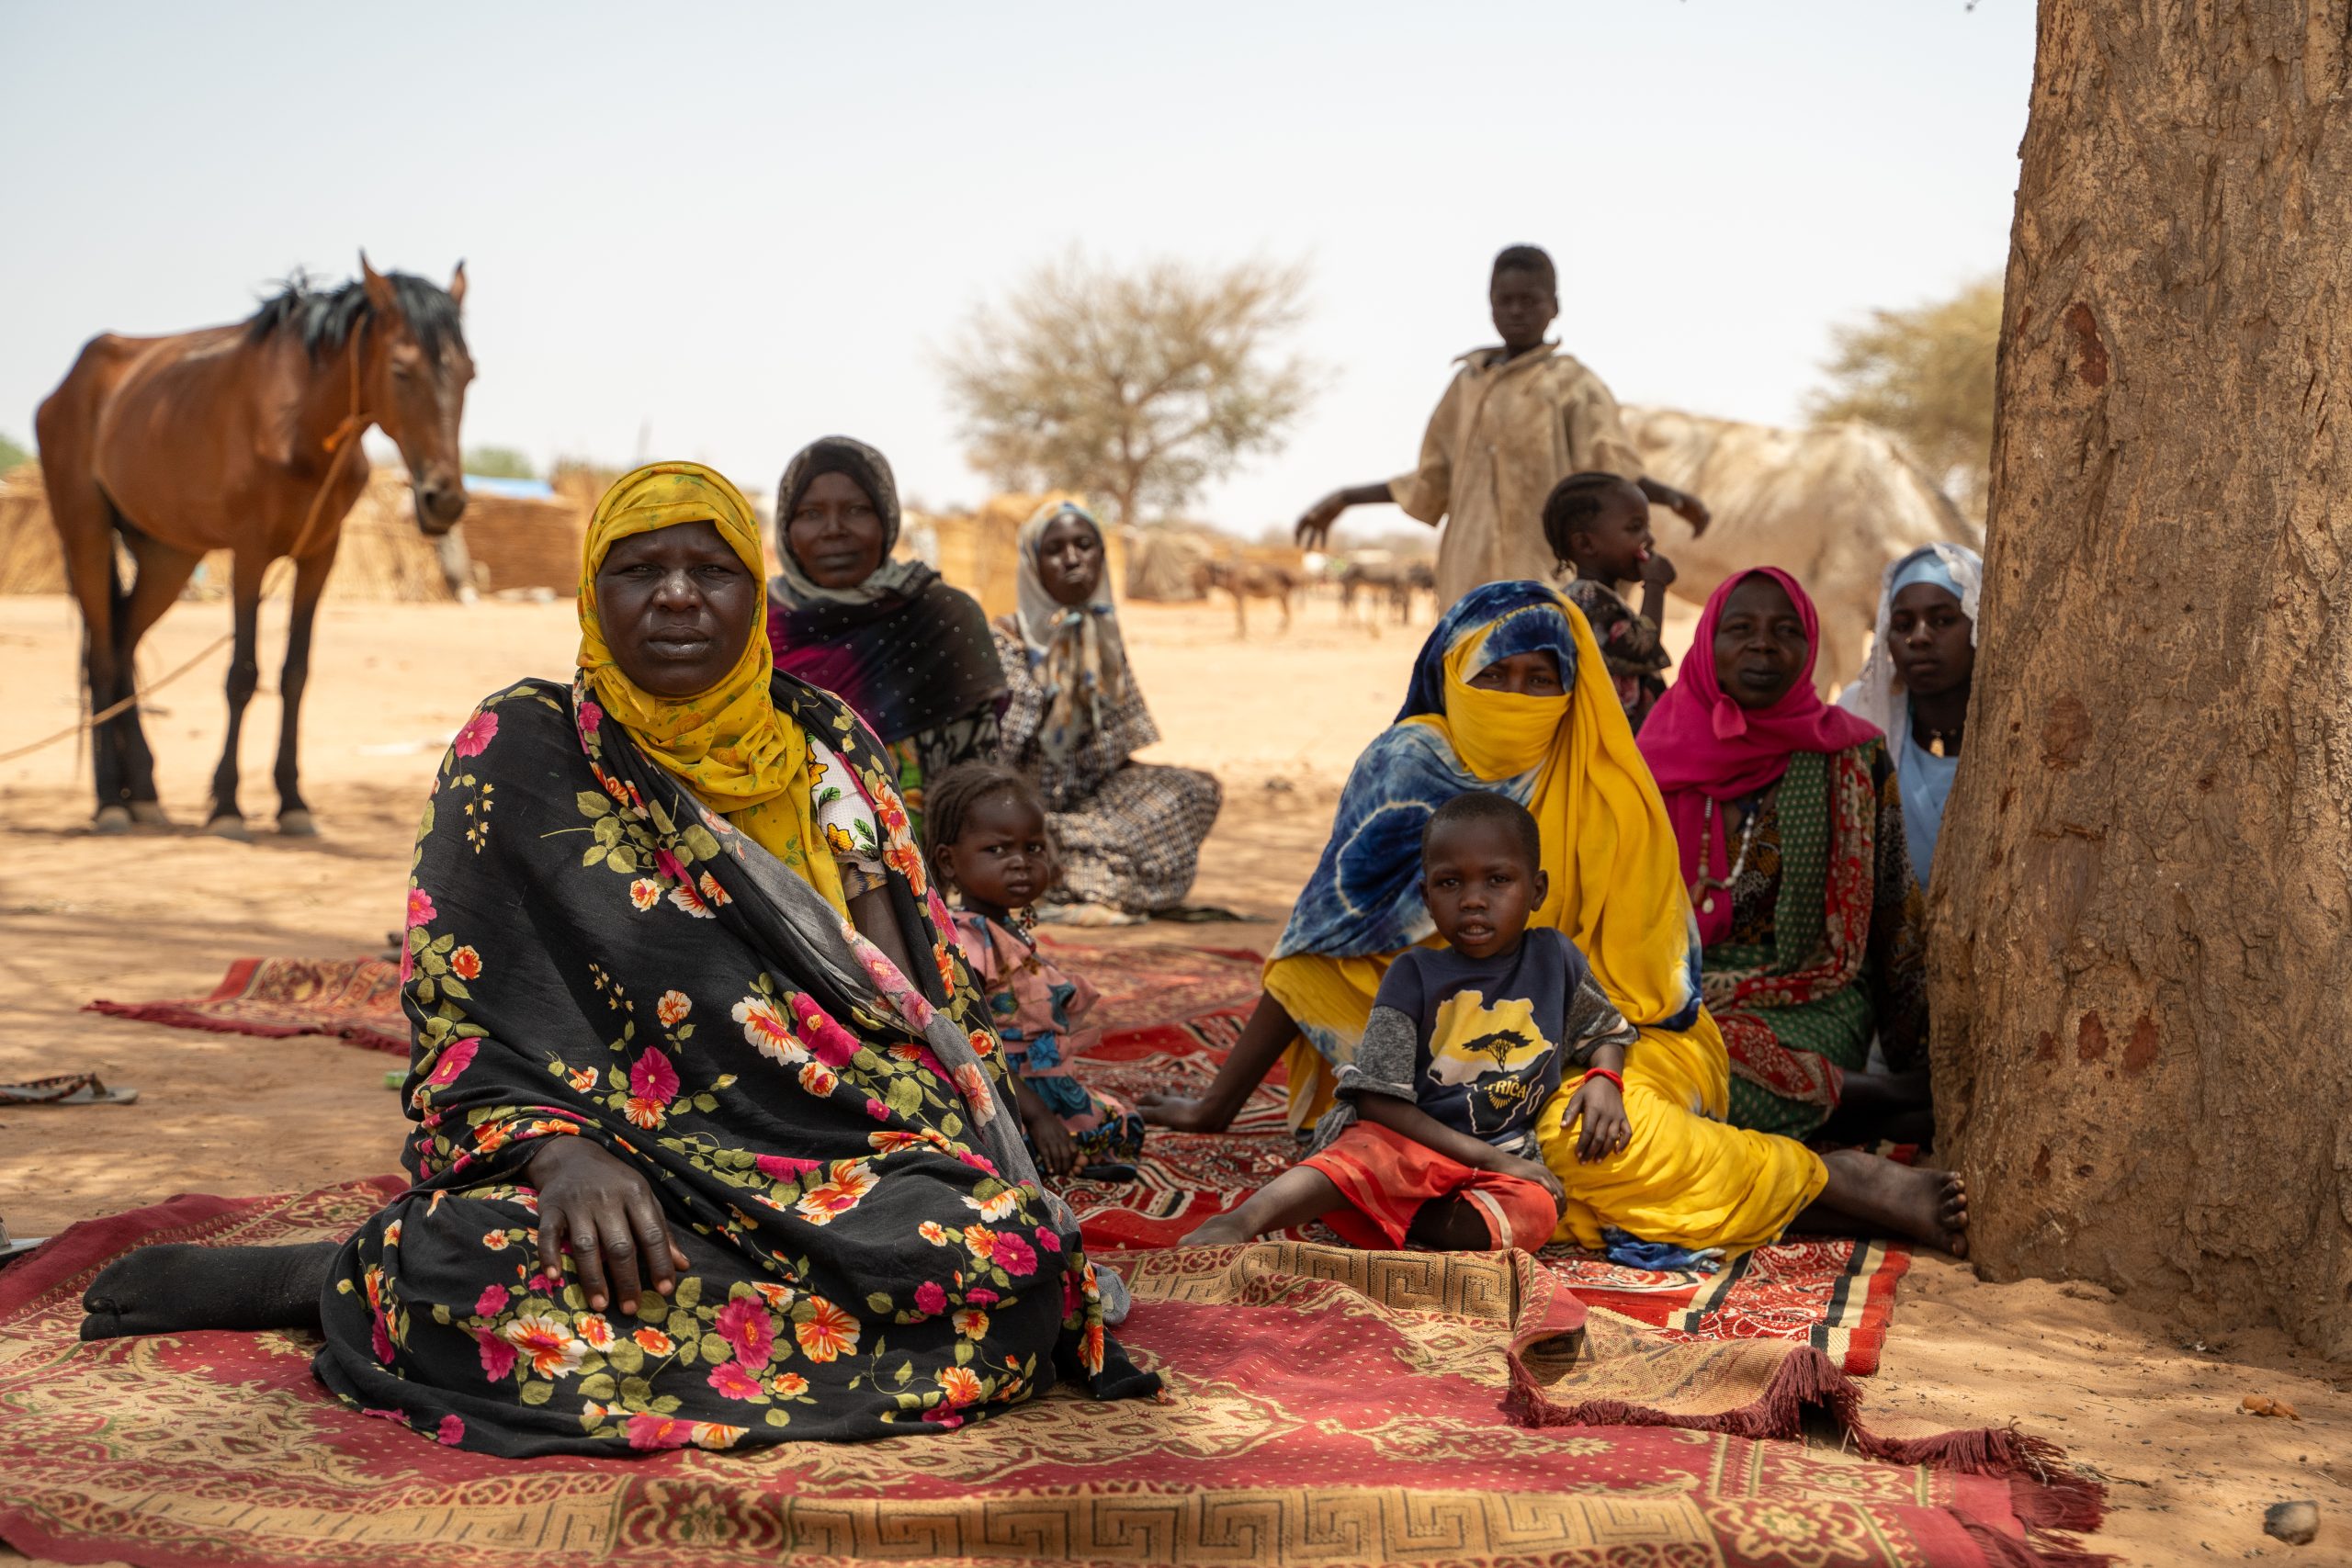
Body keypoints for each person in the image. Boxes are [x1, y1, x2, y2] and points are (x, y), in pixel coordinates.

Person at [78, 461, 1156, 1454]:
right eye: (640, 570)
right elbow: (462, 1016)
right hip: (618, 1164)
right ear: (596, 595)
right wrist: (559, 1154)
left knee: (1001, 1259)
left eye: (711, 570)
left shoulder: (830, 746)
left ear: (753, 591)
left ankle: (380, 1279)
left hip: (845, 1162)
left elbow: (916, 1001)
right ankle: (350, 1273)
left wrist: (967, 1124)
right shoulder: (525, 748)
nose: (678, 595)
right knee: (470, 1259)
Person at [1140, 581, 1967, 1258]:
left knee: (1581, 1140)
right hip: (1431, 1063)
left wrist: (1597, 1069)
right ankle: (1803, 1186)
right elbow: (1311, 958)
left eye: (1544, 679)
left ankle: (1850, 1185)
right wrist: (1218, 1107)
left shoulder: (1603, 781)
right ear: (1451, 671)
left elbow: (1644, 995)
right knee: (1444, 1163)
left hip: (1623, 1037)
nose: (1520, 697)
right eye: (1495, 675)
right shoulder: (1403, 768)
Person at [1182, 792, 1637, 1251]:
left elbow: (1604, 1031)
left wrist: (1604, 1077)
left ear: (1536, 890)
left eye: (1498, 880)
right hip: (1405, 1144)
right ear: (1427, 896)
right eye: (1450, 883)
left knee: (1538, 1211)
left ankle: (1377, 1211)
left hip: (1502, 1157)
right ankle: (1242, 1220)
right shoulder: (1414, 974)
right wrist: (1490, 1160)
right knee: (1357, 1154)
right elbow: (1378, 1102)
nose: (1474, 900)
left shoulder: (1554, 958)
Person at [1637, 568, 1932, 1144]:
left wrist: (1912, 1055)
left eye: (1786, 630)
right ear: (1707, 644)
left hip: (1812, 997)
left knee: (1692, 1094)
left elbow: (1896, 908)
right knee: (1627, 1081)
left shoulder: (1852, 756)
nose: (1763, 645)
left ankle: (1861, 1101)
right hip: (1673, 998)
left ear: (1810, 646)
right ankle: (1854, 1109)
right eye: (1740, 627)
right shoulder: (1648, 759)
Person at [1295, 244, 1711, 612]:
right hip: (1468, 583)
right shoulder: (1467, 385)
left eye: (1529, 300)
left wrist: (1669, 497)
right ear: (1490, 303)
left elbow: (1611, 473)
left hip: (1548, 581)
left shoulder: (1572, 384)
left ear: (1554, 306)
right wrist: (1346, 498)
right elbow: (1432, 481)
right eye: (1504, 300)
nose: (1516, 311)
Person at [993, 501, 1221, 919]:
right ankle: (1081, 870)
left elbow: (1115, 753)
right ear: (1033, 563)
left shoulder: (1102, 639)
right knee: (1020, 835)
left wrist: (1140, 806)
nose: (1073, 558)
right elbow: (997, 759)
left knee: (1196, 790)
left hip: (1084, 807)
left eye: (1085, 545)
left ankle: (1065, 868)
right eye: (1055, 549)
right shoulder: (1006, 643)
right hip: (1013, 809)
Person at [766, 435, 1007, 833]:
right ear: (786, 527)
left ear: (888, 518)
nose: (834, 530)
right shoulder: (755, 624)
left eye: (857, 510)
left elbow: (976, 778)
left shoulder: (943, 618)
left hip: (926, 858)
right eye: (810, 513)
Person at [925, 761, 1146, 1178]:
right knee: (1028, 1139)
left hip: (1041, 1085)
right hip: (1000, 1090)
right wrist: (1040, 1116)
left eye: (1033, 848)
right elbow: (969, 1042)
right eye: (998, 850)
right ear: (949, 862)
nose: (1020, 862)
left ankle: (1054, 1152)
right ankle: (1037, 1151)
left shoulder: (1007, 930)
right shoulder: (968, 942)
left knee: (1121, 1121)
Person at [1837, 544, 1984, 889]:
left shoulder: (2023, 729)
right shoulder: (1859, 720)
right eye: (1902, 624)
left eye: (1943, 620)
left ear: (1981, 624)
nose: (1918, 637)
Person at [1542, 471, 1676, 729]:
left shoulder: (1599, 597)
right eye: (1635, 528)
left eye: (1647, 527)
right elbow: (1642, 646)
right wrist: (1656, 586)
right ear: (1586, 544)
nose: (1649, 539)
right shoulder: (1589, 601)